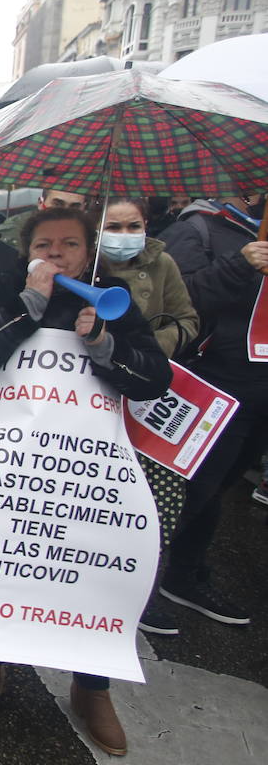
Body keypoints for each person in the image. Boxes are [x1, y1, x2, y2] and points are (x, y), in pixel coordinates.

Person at [0, 206, 171, 757]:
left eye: (69, 245)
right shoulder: (1, 287)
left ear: (87, 251)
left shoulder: (108, 295)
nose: (55, 254)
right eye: (43, 244)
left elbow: (154, 379)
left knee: (84, 570)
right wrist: (29, 305)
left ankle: (90, 684)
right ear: (27, 251)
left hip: (82, 467)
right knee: (3, 558)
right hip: (8, 461)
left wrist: (105, 346)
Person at [157, 192, 268, 627]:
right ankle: (133, 582)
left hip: (260, 385)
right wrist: (239, 265)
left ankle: (183, 575)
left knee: (218, 490)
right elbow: (176, 303)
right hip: (215, 383)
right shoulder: (200, 229)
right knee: (187, 490)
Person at [94, 197, 199, 636]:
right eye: (112, 226)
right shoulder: (84, 263)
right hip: (95, 394)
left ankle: (139, 591)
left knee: (147, 502)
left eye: (131, 225)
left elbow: (188, 320)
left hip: (146, 395)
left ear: (146, 225)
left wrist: (148, 352)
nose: (122, 234)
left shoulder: (164, 265)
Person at [0, 188, 86, 250]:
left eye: (74, 207)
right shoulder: (16, 229)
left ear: (84, 209)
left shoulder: (85, 235)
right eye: (57, 205)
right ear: (41, 203)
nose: (65, 213)